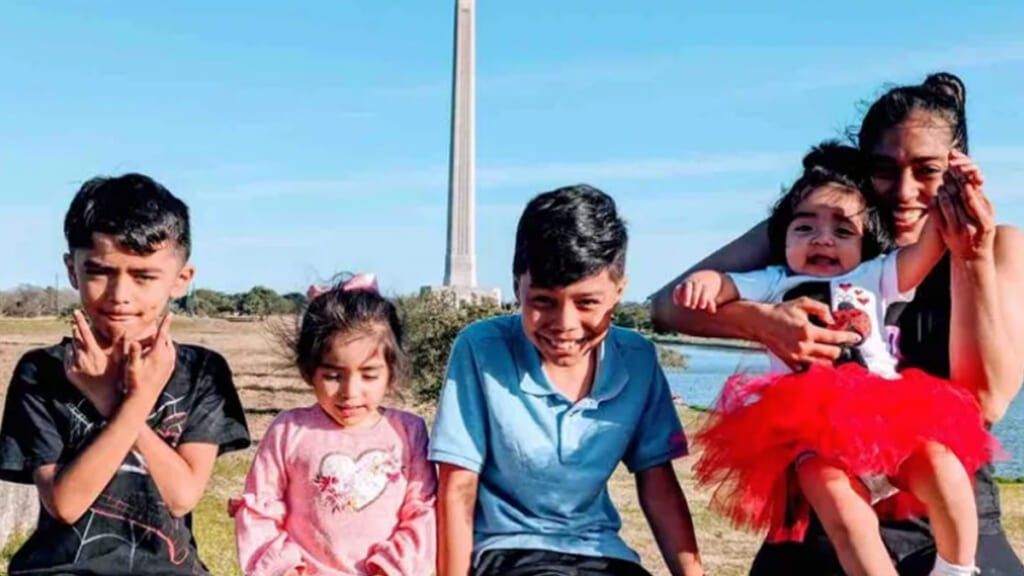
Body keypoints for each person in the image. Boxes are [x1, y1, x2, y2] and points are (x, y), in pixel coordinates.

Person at [651, 72, 1024, 574]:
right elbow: (666, 306)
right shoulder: (821, 227)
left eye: (928, 170)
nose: (906, 191)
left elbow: (985, 400)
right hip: (827, 511)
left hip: (943, 515)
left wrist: (969, 258)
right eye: (884, 170)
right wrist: (763, 321)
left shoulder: (999, 245)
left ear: (958, 167)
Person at [431, 184, 703, 576]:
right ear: (517, 286)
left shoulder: (638, 359)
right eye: (542, 301)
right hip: (510, 554)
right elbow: (458, 488)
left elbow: (658, 484)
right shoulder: (480, 349)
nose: (565, 325)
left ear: (618, 292)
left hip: (603, 555)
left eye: (587, 302)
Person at [0, 174, 251, 574]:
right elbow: (65, 504)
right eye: (99, 271)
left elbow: (182, 495)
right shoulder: (43, 372)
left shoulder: (202, 371)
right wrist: (134, 404)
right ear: (72, 269)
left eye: (144, 276)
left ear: (181, 280)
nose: (120, 295)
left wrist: (113, 401)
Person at [233, 273, 436, 576]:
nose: (350, 392)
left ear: (391, 373)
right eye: (332, 376)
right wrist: (285, 569)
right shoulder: (289, 431)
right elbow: (259, 510)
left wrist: (391, 568)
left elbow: (422, 511)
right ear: (309, 370)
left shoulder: (408, 432)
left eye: (369, 375)